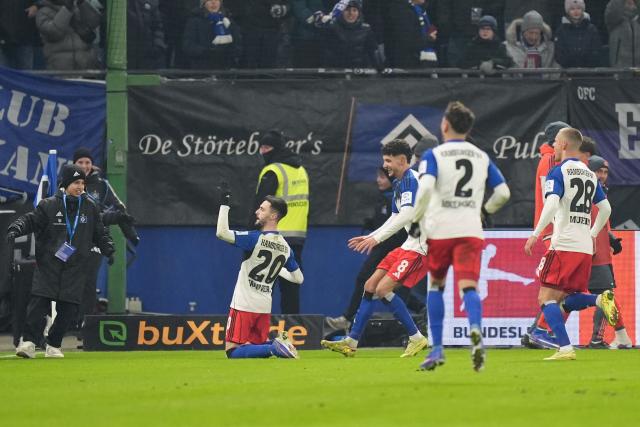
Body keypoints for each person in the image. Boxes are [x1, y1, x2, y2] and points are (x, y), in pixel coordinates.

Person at [411, 101, 511, 372]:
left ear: (445, 125)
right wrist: (484, 211)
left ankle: (437, 349)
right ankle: (476, 331)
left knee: (436, 286)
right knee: (469, 286)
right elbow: (503, 193)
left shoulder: (434, 155)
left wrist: (417, 221)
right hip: (470, 229)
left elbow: (425, 190)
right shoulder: (481, 156)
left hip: (441, 230)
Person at [321, 139, 428, 358]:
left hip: (421, 247)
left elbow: (407, 214)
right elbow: (396, 216)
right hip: (409, 244)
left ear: (401, 160)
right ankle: (351, 342)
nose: (386, 165)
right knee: (370, 285)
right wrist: (372, 236)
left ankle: (417, 338)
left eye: (388, 161)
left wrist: (376, 239)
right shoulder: (399, 183)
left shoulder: (410, 179)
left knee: (382, 290)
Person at [523, 128, 618, 360]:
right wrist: (593, 234)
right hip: (584, 246)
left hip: (563, 244)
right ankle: (599, 299)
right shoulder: (588, 173)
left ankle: (564, 348)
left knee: (545, 298)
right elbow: (606, 208)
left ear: (564, 145)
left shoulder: (558, 172)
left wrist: (536, 233)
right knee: (566, 299)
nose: (553, 147)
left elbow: (552, 204)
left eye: (555, 143)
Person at [8, 165, 114, 358]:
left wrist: (109, 248)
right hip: (49, 264)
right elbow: (30, 220)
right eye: (76, 183)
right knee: (38, 305)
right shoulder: (48, 205)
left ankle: (53, 345)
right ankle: (29, 343)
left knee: (69, 310)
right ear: (65, 185)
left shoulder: (90, 207)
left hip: (75, 268)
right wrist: (16, 228)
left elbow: (100, 232)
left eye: (82, 183)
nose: (80, 187)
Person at [217, 192, 303, 359]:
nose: (257, 211)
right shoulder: (286, 247)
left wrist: (224, 205)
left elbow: (221, 233)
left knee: (232, 350)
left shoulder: (255, 239)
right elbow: (299, 279)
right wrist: (278, 270)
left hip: (244, 304)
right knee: (253, 347)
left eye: (262, 209)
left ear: (273, 215)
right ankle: (277, 344)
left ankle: (274, 348)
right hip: (264, 306)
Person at [325, 167, 406, 332]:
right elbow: (387, 223)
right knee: (378, 285)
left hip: (393, 247)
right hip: (383, 245)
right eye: (378, 176)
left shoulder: (397, 196)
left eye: (382, 177)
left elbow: (396, 226)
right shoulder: (385, 197)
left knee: (373, 283)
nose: (378, 180)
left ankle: (349, 320)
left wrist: (374, 240)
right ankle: (352, 326)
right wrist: (373, 228)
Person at [72, 147, 138, 330]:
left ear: (92, 164)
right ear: (74, 164)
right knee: (70, 282)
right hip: (70, 241)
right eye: (80, 162)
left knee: (88, 282)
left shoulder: (101, 185)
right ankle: (66, 323)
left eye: (87, 162)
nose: (84, 166)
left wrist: (107, 218)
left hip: (94, 241)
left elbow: (120, 208)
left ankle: (86, 327)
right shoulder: (65, 182)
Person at [253, 130, 309, 314]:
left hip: (272, 238)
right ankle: (293, 332)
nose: (262, 151)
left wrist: (252, 236)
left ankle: (255, 331)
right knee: (291, 288)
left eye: (267, 147)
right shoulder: (301, 171)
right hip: (296, 239)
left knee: (261, 287)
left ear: (276, 149)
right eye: (261, 147)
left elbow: (260, 207)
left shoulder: (272, 171)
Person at [586, 155, 632, 349]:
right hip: (593, 253)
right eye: (599, 171)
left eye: (605, 172)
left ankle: (542, 331)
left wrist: (611, 239)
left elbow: (602, 223)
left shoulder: (599, 192)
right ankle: (541, 331)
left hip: (595, 251)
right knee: (605, 296)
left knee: (563, 295)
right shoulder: (589, 193)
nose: (602, 175)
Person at [35, 0, 101, 70]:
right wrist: (67, 9)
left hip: (86, 67)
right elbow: (54, 32)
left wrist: (82, 3)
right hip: (61, 69)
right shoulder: (43, 12)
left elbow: (94, 22)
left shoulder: (77, 7)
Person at [182, 0, 241, 69]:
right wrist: (207, 52)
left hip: (225, 68)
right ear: (203, 3)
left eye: (217, 0)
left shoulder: (228, 20)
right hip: (201, 68)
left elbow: (237, 44)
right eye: (209, 0)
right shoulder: (194, 21)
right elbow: (188, 45)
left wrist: (228, 53)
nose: (214, 2)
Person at [322, 0, 379, 68]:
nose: (351, 13)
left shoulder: (366, 29)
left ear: (359, 13)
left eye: (354, 10)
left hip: (360, 72)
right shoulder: (331, 28)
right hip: (337, 71)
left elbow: (373, 53)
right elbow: (327, 56)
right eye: (347, 10)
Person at [385, 0, 438, 68]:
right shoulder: (401, 10)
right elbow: (407, 39)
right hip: (407, 63)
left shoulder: (418, 8)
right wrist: (428, 38)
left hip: (421, 57)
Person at [554, 0, 603, 68]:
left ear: (582, 10)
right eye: (572, 9)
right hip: (568, 73)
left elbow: (596, 51)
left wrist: (586, 64)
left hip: (589, 73)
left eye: (578, 8)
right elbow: (559, 54)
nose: (576, 11)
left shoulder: (592, 29)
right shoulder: (561, 31)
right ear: (568, 11)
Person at [128, 0, 167, 69]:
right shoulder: (118, 5)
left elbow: (157, 27)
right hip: (126, 57)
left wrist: (158, 45)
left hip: (148, 57)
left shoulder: (150, 3)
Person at [0, 0, 39, 69]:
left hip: (25, 38)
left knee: (25, 76)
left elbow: (44, 2)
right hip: (3, 40)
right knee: (5, 76)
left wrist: (37, 6)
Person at [605, 0, 640, 67]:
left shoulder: (638, 21)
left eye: (633, 3)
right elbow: (613, 10)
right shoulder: (614, 21)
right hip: (620, 67)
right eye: (628, 3)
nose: (632, 5)